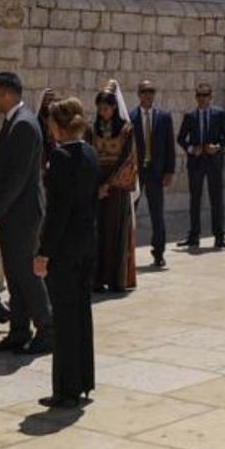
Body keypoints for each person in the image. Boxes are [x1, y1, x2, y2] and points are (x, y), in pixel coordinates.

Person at [0, 72, 52, 354]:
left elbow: (19, 176)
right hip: (14, 214)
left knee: (27, 274)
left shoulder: (23, 124)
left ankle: (48, 329)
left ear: (8, 94)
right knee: (15, 274)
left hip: (22, 215)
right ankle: (19, 331)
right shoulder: (13, 122)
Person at [35, 97, 98, 409]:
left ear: (57, 127)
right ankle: (84, 380)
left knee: (64, 318)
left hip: (65, 248)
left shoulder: (60, 157)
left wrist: (43, 252)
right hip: (86, 243)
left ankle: (66, 389)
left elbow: (57, 212)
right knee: (81, 313)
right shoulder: (89, 152)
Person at [90, 83, 138, 292]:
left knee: (115, 233)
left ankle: (116, 279)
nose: (103, 112)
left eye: (107, 108)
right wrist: (96, 185)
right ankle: (97, 279)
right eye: (100, 108)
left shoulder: (126, 130)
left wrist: (109, 183)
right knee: (97, 233)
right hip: (97, 187)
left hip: (116, 188)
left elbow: (128, 159)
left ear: (114, 108)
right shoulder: (92, 130)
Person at [176, 82, 225, 250]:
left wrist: (217, 147)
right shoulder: (190, 116)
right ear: (196, 98)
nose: (202, 99)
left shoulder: (219, 114)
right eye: (199, 96)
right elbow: (181, 138)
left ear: (210, 97)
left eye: (205, 95)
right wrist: (192, 149)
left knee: (217, 199)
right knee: (195, 199)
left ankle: (219, 236)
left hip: (214, 162)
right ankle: (194, 236)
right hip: (196, 162)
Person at [131, 80, 175, 268]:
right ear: (138, 94)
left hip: (156, 173)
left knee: (157, 214)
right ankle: (127, 253)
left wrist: (169, 171)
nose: (148, 94)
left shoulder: (164, 117)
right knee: (130, 213)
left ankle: (158, 253)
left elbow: (169, 146)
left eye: (151, 91)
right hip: (136, 174)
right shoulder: (130, 117)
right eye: (144, 91)